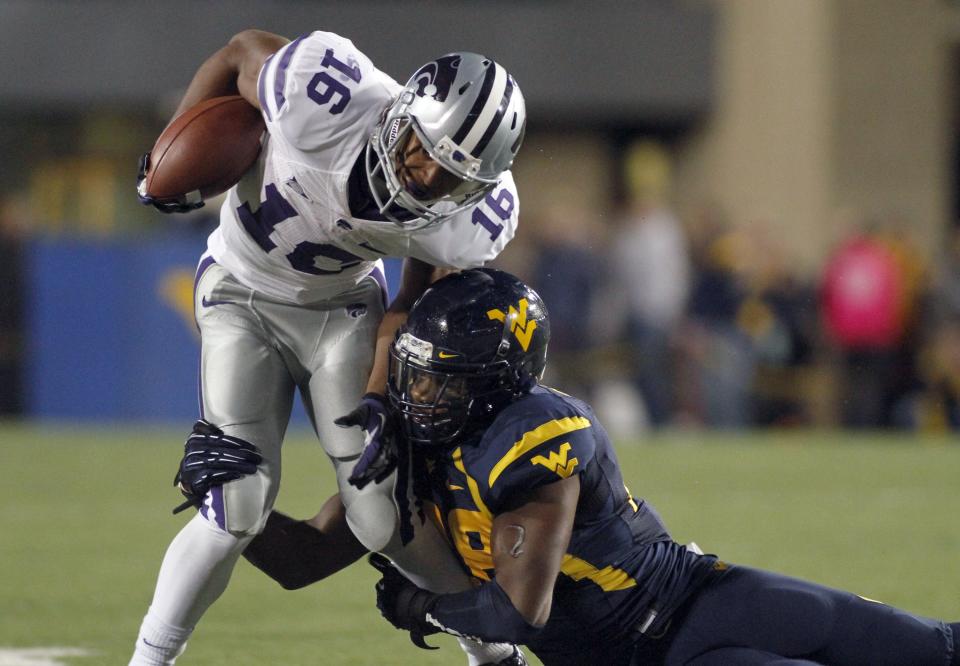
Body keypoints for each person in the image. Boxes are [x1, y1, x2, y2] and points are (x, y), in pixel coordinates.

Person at [229, 268, 959, 665]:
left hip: (691, 599)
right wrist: (229, 502)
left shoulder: (535, 443)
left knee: (924, 645)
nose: (416, 395)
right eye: (416, 374)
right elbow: (301, 561)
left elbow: (518, 613)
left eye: (438, 381)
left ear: (492, 384)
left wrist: (425, 605)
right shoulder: (408, 445)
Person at [129, 28, 527, 666]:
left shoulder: (463, 225)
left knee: (382, 515)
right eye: (423, 151)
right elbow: (239, 51)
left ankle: (495, 652)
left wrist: (379, 388)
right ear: (402, 116)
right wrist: (168, 149)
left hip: (341, 314)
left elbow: (407, 301)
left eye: (450, 178)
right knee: (236, 502)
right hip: (240, 291)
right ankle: (149, 660)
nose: (425, 178)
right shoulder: (324, 96)